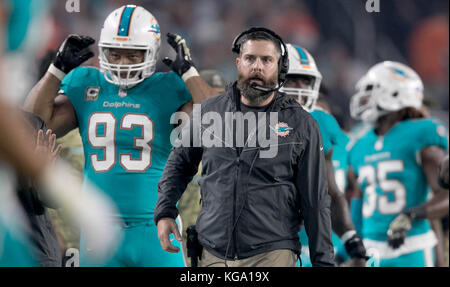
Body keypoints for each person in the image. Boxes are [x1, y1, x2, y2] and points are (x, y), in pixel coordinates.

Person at [24, 4, 214, 267]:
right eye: (115, 54)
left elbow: (215, 119)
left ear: (151, 52)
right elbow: (33, 122)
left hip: (157, 227)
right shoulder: (85, 84)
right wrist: (55, 72)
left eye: (133, 55)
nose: (122, 63)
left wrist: (189, 73)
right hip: (98, 229)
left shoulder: (168, 87)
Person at [155, 27, 335, 267]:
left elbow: (315, 200)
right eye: (250, 58)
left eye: (266, 60)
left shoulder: (302, 123)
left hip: (272, 253)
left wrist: (324, 262)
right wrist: (165, 210)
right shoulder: (208, 112)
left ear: (280, 67)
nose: (257, 66)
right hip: (212, 251)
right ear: (239, 63)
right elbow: (178, 165)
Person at [347, 61, 449, 267]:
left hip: (411, 246)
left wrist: (411, 215)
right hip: (371, 250)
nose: (364, 97)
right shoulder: (360, 144)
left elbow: (446, 194)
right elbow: (357, 208)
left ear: (394, 94)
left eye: (371, 90)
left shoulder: (421, 133)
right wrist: (351, 250)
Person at [279, 44, 367, 267]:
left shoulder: (323, 123)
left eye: (305, 81)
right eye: (292, 79)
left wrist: (351, 239)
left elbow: (330, 191)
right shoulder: (245, 120)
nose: (301, 88)